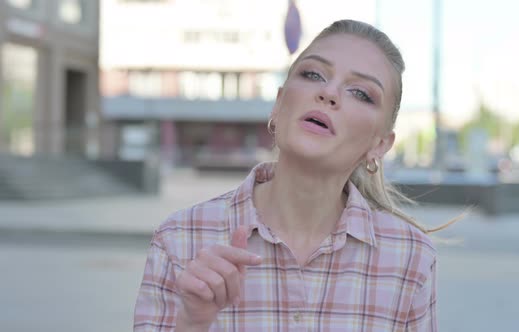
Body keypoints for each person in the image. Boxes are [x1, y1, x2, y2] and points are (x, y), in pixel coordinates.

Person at [134, 19, 449, 331]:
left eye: (361, 93)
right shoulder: (180, 239)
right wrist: (193, 323)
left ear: (380, 145)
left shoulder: (411, 256)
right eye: (313, 74)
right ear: (278, 103)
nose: (328, 92)